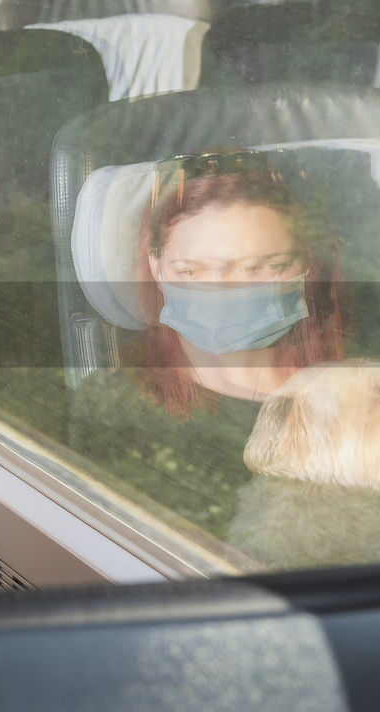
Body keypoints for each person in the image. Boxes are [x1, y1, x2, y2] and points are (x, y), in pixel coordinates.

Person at [70, 151, 346, 539]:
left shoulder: (364, 397)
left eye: (259, 267)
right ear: (157, 269)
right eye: (192, 270)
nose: (224, 290)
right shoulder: (115, 410)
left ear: (304, 266)